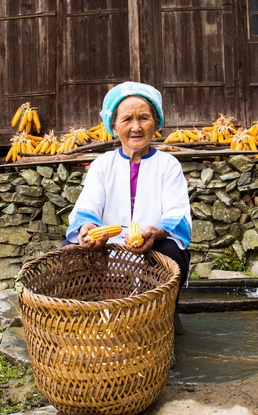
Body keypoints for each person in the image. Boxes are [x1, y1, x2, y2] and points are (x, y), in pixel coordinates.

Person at [64, 81, 192, 330]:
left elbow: (177, 214)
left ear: (156, 123)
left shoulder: (168, 165)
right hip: (108, 246)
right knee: (69, 248)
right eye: (127, 120)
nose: (136, 127)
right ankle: (86, 318)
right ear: (113, 126)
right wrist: (88, 228)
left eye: (144, 118)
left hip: (151, 245)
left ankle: (163, 315)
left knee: (172, 252)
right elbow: (87, 206)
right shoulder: (103, 165)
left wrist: (155, 233)